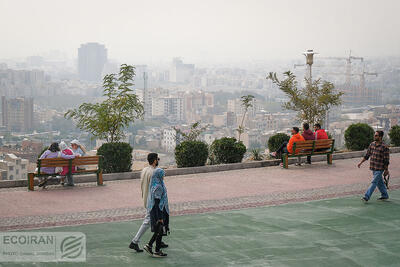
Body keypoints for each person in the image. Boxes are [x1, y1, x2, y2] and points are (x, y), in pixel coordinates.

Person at [129, 153, 168, 252]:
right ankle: (135, 241)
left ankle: (159, 240)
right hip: (153, 202)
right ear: (155, 161)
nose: (158, 161)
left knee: (156, 221)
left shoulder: (145, 170)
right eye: (157, 159)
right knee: (150, 221)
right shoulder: (154, 172)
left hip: (146, 199)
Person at [143, 168, 169, 258]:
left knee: (159, 230)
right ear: (159, 176)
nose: (163, 177)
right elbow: (157, 202)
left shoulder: (154, 184)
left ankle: (149, 246)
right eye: (162, 175)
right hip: (157, 211)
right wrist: (160, 217)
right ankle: (156, 250)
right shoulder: (158, 186)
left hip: (154, 210)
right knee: (160, 229)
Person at [358, 131, 390, 202]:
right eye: (374, 135)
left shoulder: (385, 147)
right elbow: (367, 155)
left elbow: (386, 160)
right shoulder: (372, 144)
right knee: (380, 182)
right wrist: (361, 162)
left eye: (376, 135)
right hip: (373, 167)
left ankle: (366, 197)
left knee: (374, 182)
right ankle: (385, 195)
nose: (374, 136)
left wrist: (386, 170)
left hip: (380, 168)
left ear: (380, 137)